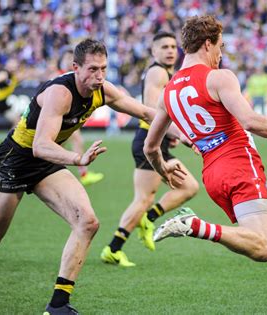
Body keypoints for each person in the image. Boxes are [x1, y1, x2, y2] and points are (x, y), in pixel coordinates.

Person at [144, 16, 267, 315]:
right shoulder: (219, 77)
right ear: (208, 44)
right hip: (238, 163)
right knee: (263, 248)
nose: (221, 53)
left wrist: (162, 169)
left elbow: (150, 146)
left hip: (213, 175)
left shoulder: (169, 92)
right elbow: (251, 121)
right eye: (220, 45)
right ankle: (196, 226)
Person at [0, 39, 157, 315]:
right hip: (16, 161)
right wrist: (77, 159)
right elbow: (40, 145)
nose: (99, 76)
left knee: (88, 222)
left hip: (46, 164)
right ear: (75, 67)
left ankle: (58, 305)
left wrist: (189, 134)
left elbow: (145, 113)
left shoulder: (102, 89)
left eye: (103, 68)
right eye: (92, 69)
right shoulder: (60, 92)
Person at [100, 32, 199, 267]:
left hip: (157, 140)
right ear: (153, 51)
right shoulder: (157, 71)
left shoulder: (166, 73)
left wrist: (169, 134)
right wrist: (181, 135)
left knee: (188, 186)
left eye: (174, 46)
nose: (170, 50)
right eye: (164, 46)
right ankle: (113, 249)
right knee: (143, 199)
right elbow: (151, 109)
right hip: (149, 141)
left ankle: (148, 219)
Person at [55, 48, 105, 186]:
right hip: (59, 119)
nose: (68, 61)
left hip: (66, 119)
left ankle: (82, 174)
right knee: (65, 143)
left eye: (71, 59)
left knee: (67, 143)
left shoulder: (76, 78)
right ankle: (82, 174)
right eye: (66, 58)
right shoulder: (57, 78)